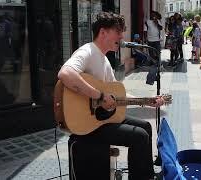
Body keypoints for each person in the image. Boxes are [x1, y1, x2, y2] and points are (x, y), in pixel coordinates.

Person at [58, 12, 164, 180]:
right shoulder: (88, 51)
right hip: (89, 125)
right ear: (103, 32)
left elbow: (117, 95)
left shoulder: (105, 60)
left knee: (145, 127)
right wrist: (99, 95)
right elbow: (65, 74)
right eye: (118, 31)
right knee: (139, 136)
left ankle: (146, 176)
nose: (121, 36)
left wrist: (145, 101)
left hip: (101, 119)